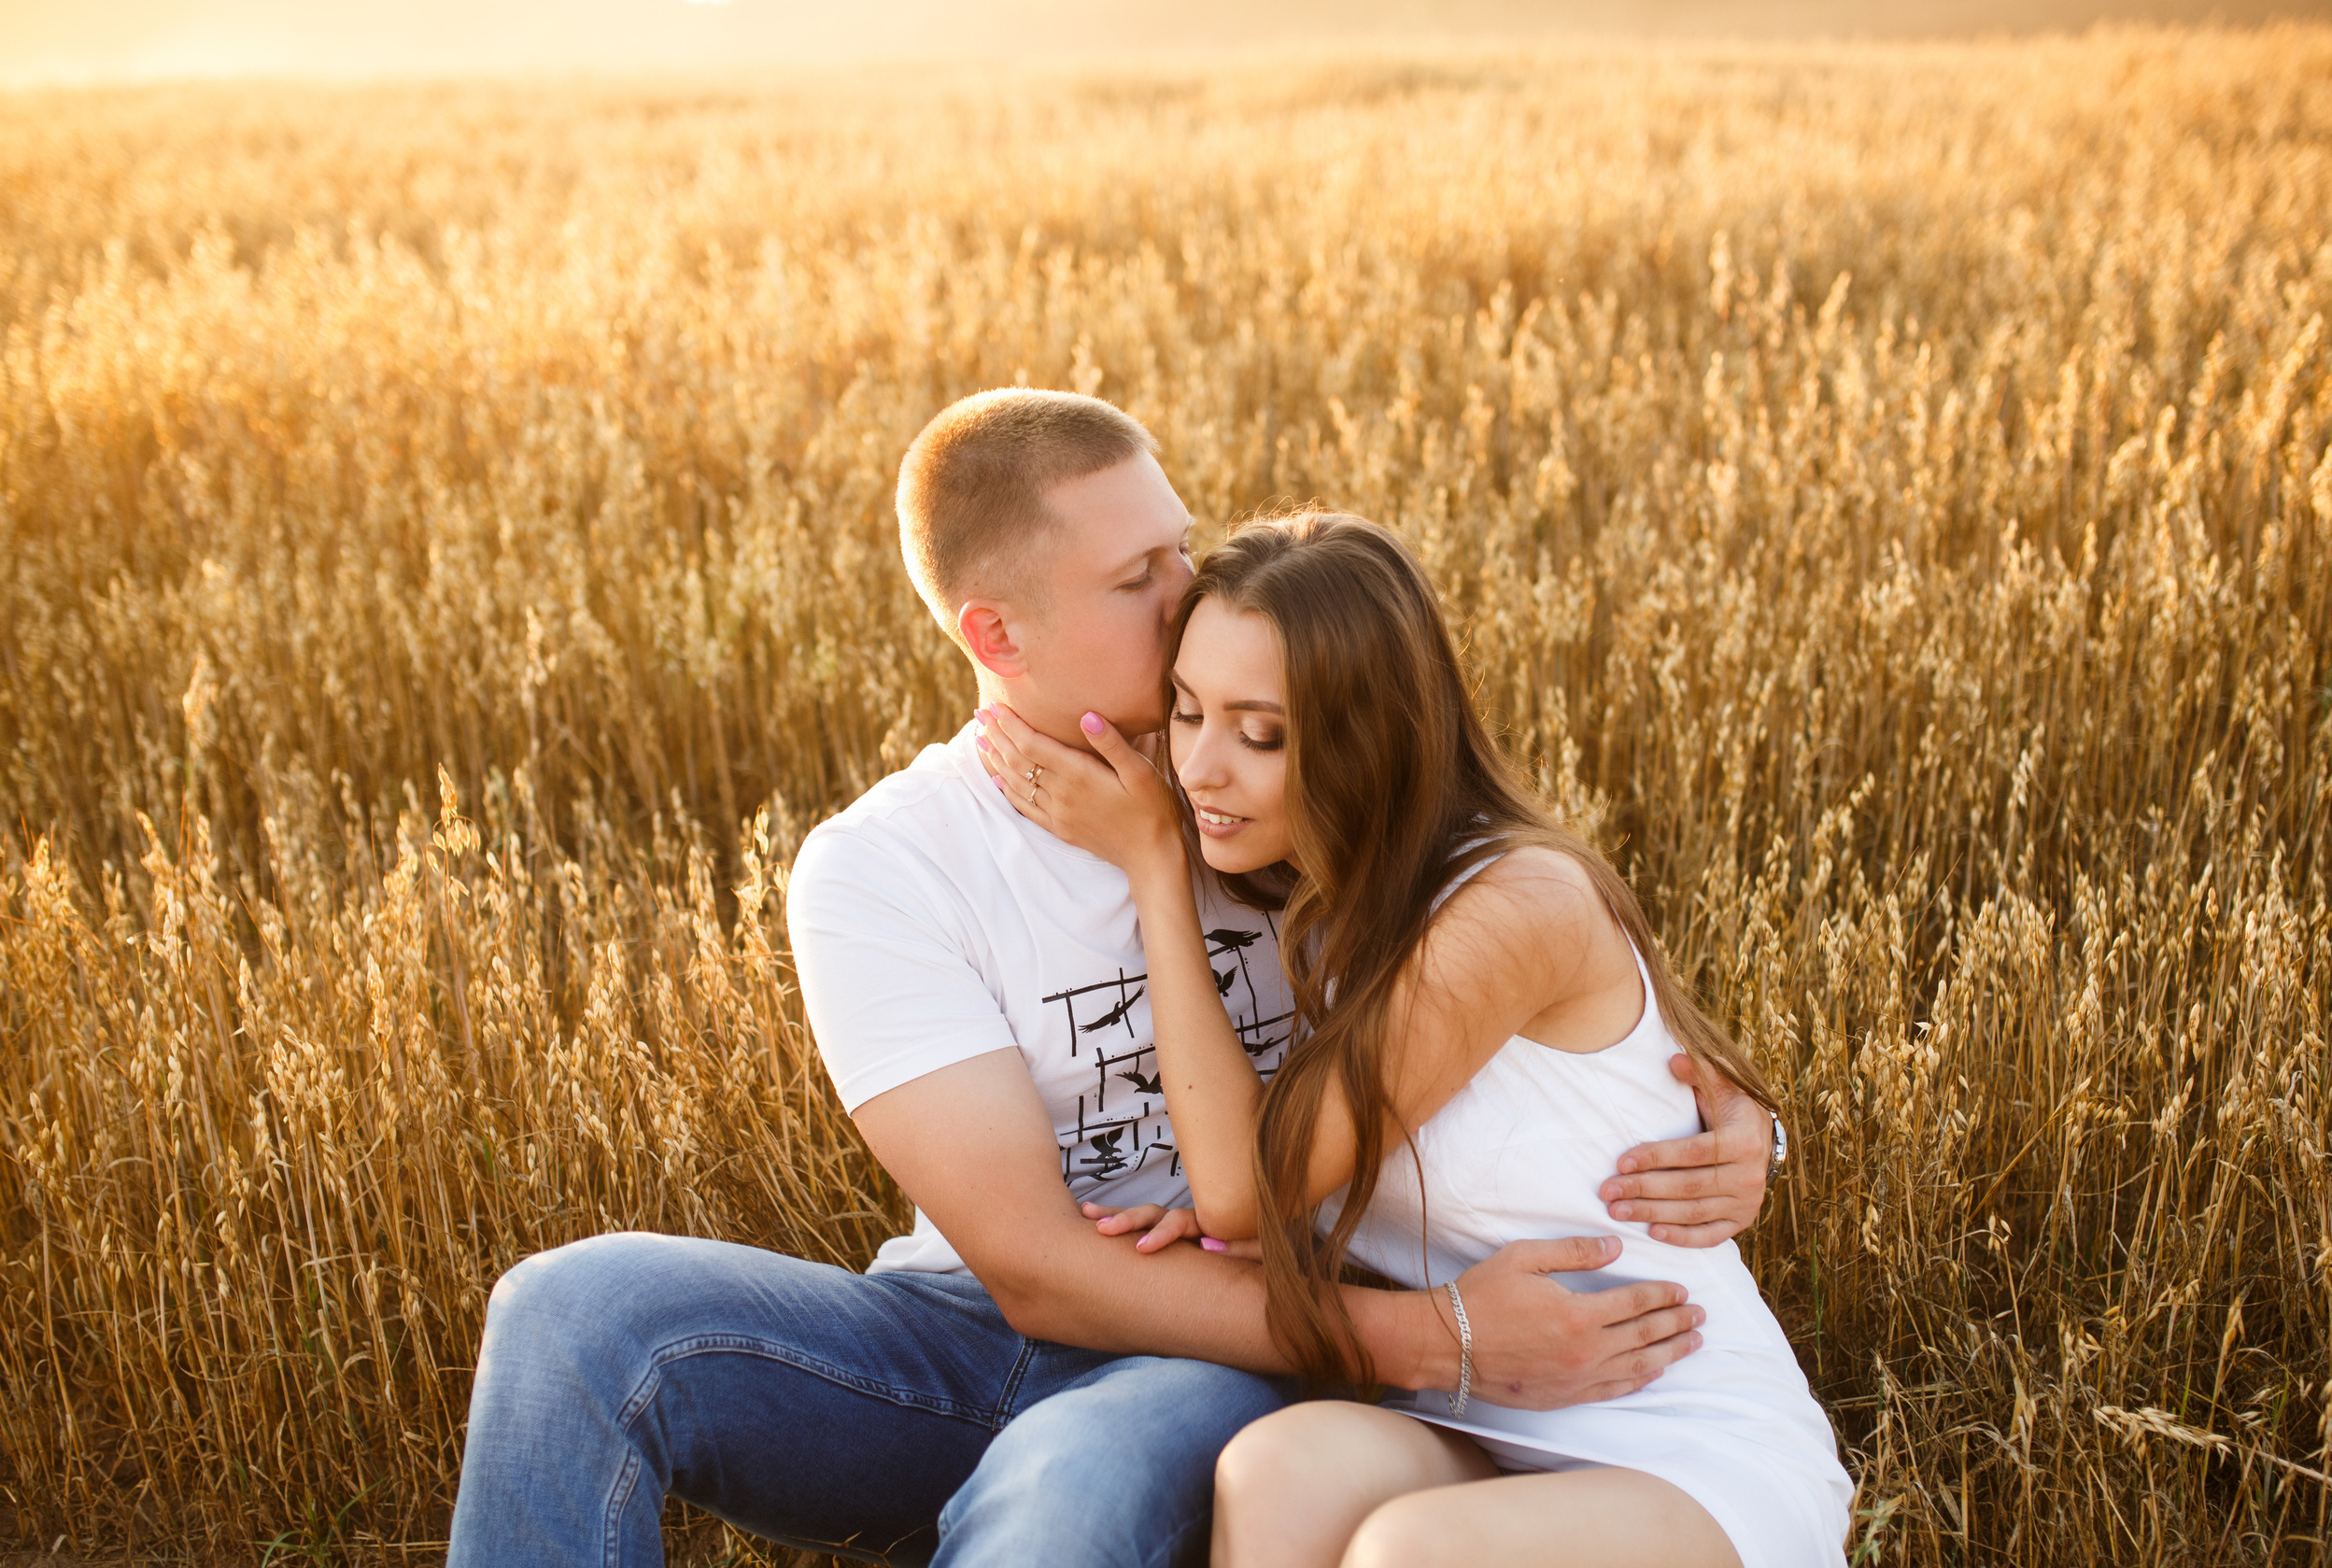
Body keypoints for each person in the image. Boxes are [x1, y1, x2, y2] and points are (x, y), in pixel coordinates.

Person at [445, 393, 1782, 1568]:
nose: (1189, 591)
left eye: (1183, 548)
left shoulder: (1288, 793)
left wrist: (1735, 1118)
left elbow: (1544, 965)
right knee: (572, 1309)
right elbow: (1035, 1270)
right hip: (971, 1338)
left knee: (1065, 1484)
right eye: (1140, 575)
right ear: (997, 628)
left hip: (1241, 1351)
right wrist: (1429, 1336)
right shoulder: (884, 864)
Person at [974, 511, 1852, 1568]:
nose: (1199, 768)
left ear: (1371, 733)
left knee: (1408, 1550)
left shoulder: (1515, 903)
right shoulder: (1318, 899)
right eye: (1188, 710)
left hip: (1676, 1434)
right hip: (1479, 1407)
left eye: (1261, 733)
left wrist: (1155, 870)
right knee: (1278, 1468)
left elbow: (1248, 1185)